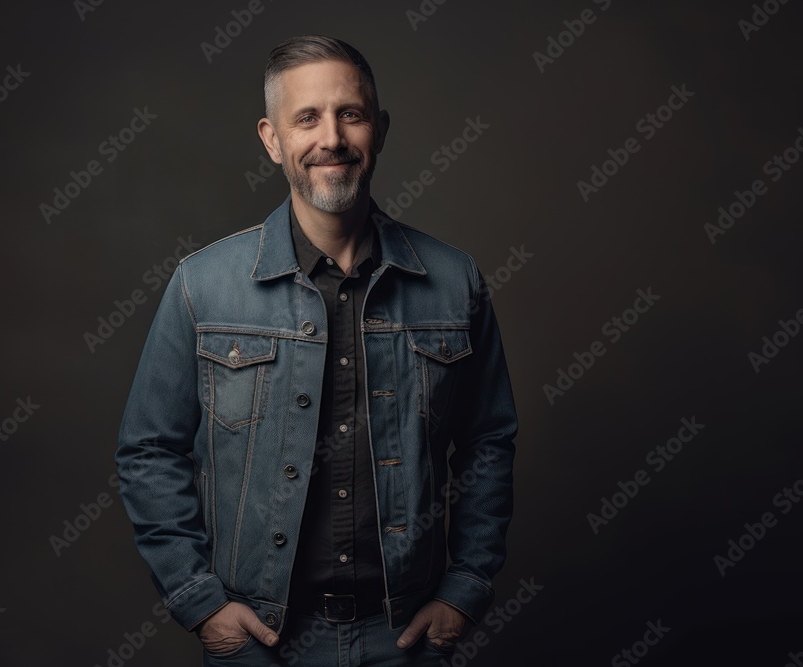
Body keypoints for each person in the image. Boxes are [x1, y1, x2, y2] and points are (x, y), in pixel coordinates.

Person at [116, 35, 518, 666]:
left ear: (378, 130)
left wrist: (466, 588)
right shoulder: (203, 284)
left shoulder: (453, 280)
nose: (331, 137)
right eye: (306, 118)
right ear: (272, 139)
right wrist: (200, 602)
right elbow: (148, 451)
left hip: (406, 636)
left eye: (350, 114)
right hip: (259, 642)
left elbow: (488, 442)